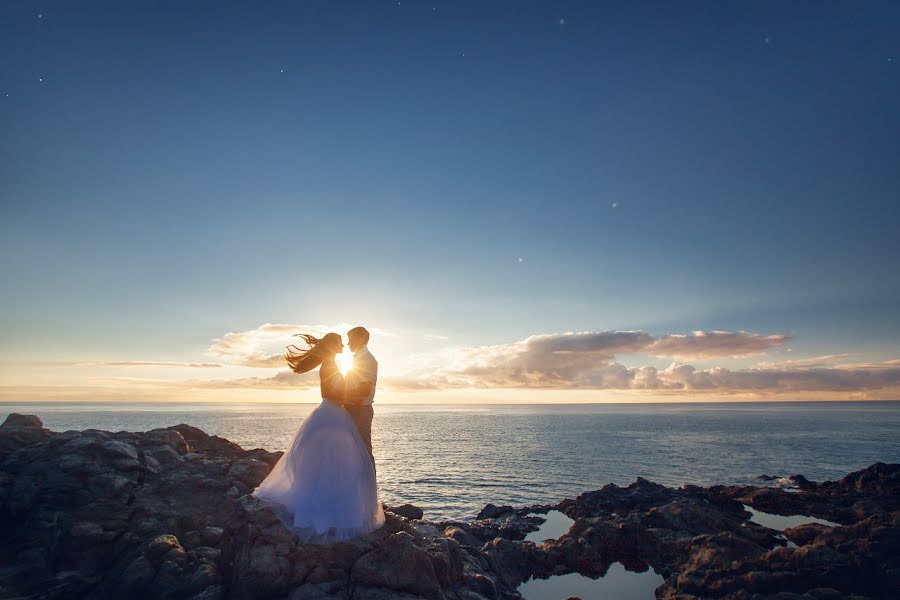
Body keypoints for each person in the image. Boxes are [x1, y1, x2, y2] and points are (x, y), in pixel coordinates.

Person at [251, 332, 384, 543]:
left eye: (347, 340)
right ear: (332, 346)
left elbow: (344, 390)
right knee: (333, 460)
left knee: (333, 460)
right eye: (341, 342)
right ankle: (338, 505)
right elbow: (330, 392)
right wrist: (349, 395)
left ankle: (343, 501)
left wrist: (351, 395)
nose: (344, 344)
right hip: (333, 413)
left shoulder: (339, 363)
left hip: (334, 413)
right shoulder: (330, 365)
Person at [342, 326, 378, 472]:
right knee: (353, 450)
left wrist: (339, 395)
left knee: (363, 450)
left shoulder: (367, 360)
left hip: (360, 411)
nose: (348, 343)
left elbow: (364, 390)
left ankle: (370, 487)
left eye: (350, 339)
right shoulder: (358, 359)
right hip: (353, 409)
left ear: (362, 339)